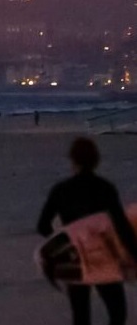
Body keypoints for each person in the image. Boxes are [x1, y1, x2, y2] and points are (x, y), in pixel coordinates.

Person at [37, 137, 137, 325]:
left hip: (76, 258)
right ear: (95, 160)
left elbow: (42, 225)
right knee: (117, 313)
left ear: (73, 160)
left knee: (81, 318)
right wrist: (134, 255)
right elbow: (121, 226)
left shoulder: (61, 190)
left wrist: (63, 247)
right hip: (103, 256)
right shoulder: (105, 188)